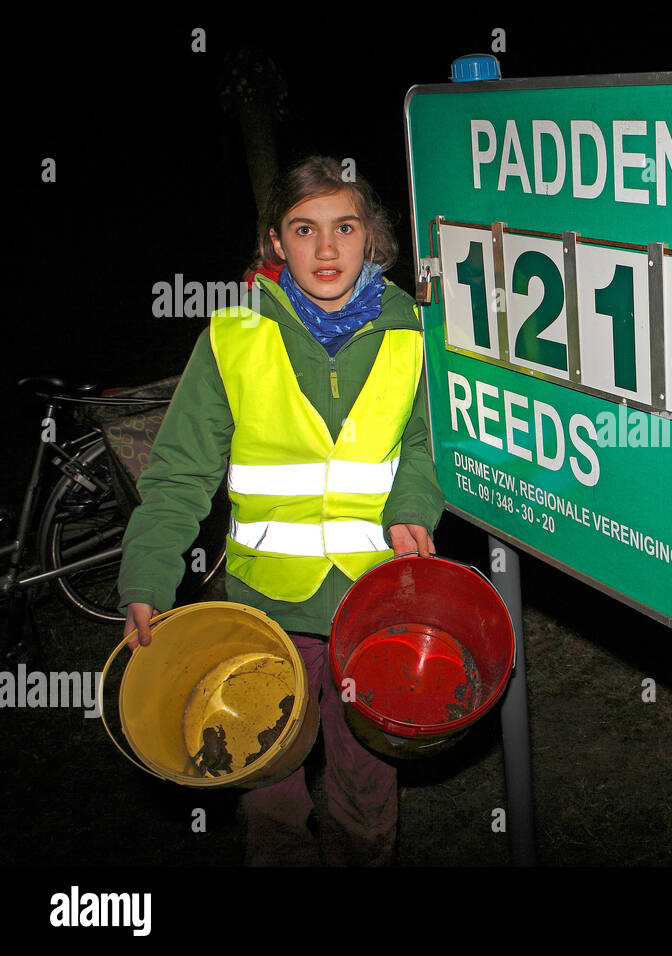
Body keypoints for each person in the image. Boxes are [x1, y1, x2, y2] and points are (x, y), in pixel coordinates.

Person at [118, 155, 443, 865]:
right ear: (275, 241)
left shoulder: (416, 331)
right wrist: (146, 575)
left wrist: (412, 505)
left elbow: (425, 443)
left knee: (367, 775)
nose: (326, 249)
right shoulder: (233, 335)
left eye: (345, 227)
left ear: (373, 239)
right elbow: (179, 472)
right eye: (305, 229)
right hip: (265, 608)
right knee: (265, 774)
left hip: (373, 601)